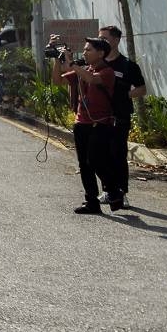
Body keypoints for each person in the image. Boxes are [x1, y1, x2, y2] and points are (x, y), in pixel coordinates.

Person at [50, 37, 120, 214]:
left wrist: (72, 63)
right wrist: (57, 60)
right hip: (81, 122)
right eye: (85, 49)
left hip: (101, 123)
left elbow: (92, 79)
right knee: (84, 164)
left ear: (101, 53)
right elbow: (57, 80)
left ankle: (112, 189)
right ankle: (92, 202)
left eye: (89, 50)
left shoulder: (107, 72)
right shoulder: (83, 70)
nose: (85, 52)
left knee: (95, 159)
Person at [98, 25, 146, 206]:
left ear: (116, 41)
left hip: (120, 115)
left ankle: (121, 192)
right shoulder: (97, 64)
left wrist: (124, 95)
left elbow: (142, 89)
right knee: (101, 155)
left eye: (105, 38)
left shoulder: (128, 65)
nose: (101, 41)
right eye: (99, 38)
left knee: (118, 154)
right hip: (99, 116)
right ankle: (107, 191)